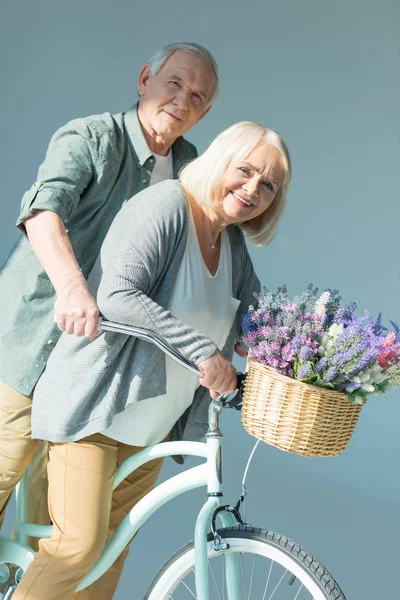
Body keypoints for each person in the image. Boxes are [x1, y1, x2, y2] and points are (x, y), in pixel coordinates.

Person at [12, 121, 292, 600]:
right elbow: (118, 296)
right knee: (77, 547)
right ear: (219, 161)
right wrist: (204, 350)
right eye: (244, 171)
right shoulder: (167, 205)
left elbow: (258, 323)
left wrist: (312, 361)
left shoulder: (232, 245)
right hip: (96, 411)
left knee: (109, 555)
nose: (252, 190)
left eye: (268, 185)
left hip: (150, 428)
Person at [0, 42, 218, 544]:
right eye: (175, 83)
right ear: (145, 78)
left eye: (198, 96)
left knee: (51, 528)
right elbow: (42, 212)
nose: (182, 101)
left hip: (88, 372)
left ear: (204, 112)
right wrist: (73, 289)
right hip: (31, 343)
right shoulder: (94, 136)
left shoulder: (191, 170)